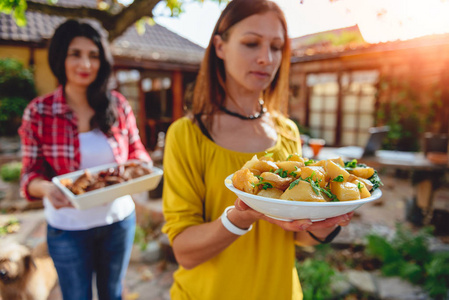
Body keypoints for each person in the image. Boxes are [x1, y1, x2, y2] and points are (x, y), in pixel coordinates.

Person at [161, 0, 354, 299]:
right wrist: (240, 217)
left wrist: (327, 223)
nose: (266, 58)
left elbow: (298, 232)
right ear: (220, 47)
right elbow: (185, 252)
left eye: (276, 47)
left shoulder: (287, 132)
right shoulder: (187, 135)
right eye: (251, 43)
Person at [19, 19, 151, 300]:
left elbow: (136, 150)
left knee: (112, 294)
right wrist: (47, 189)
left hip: (118, 220)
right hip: (68, 228)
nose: (86, 64)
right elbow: (29, 175)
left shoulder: (117, 105)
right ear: (59, 58)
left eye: (93, 55)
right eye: (75, 54)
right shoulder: (39, 112)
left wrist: (140, 166)